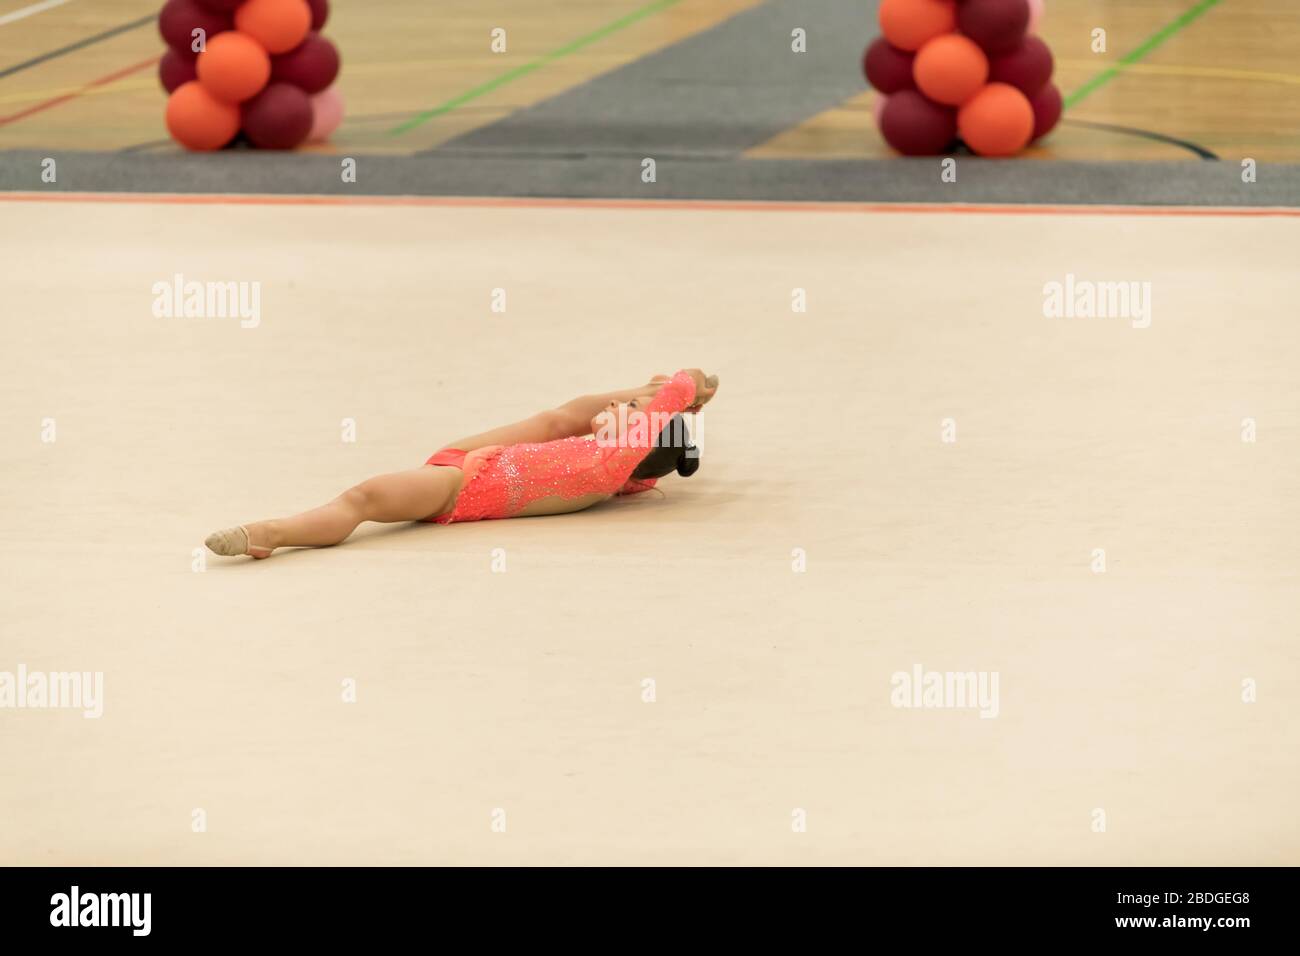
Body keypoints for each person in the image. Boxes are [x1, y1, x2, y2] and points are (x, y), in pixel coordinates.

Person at [205, 369, 718, 559]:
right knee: (556, 418)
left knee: (362, 499)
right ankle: (274, 531)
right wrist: (650, 397)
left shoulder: (611, 466)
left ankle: (270, 532)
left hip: (457, 490)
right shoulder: (620, 471)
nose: (612, 411)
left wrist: (687, 388)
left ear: (639, 435)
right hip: (467, 464)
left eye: (628, 411)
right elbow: (576, 419)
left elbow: (671, 403)